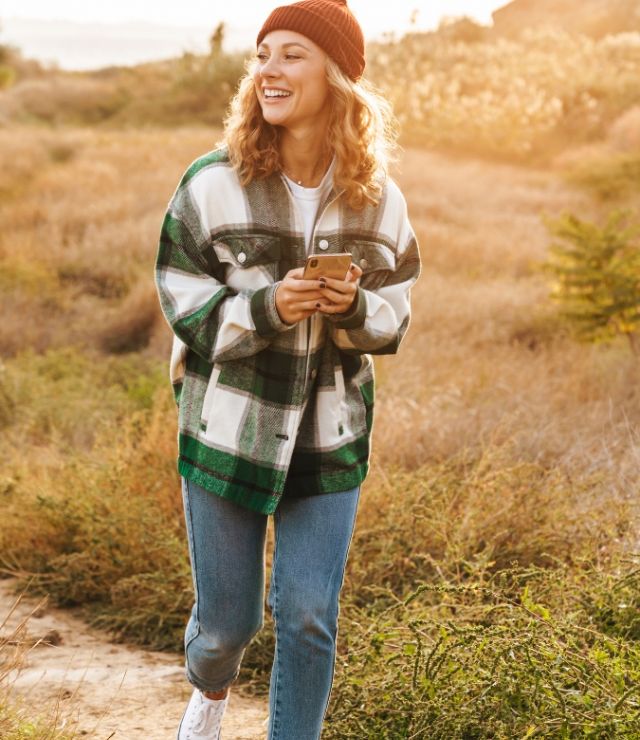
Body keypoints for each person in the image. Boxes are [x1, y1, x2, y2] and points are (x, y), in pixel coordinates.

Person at [154, 1, 421, 737]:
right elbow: (181, 300)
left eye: (292, 54)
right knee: (226, 627)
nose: (268, 69)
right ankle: (208, 694)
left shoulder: (379, 200)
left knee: (307, 619)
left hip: (327, 437)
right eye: (263, 54)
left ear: (336, 78)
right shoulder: (213, 184)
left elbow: (396, 311)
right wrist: (269, 307)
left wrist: (352, 305)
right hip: (228, 427)